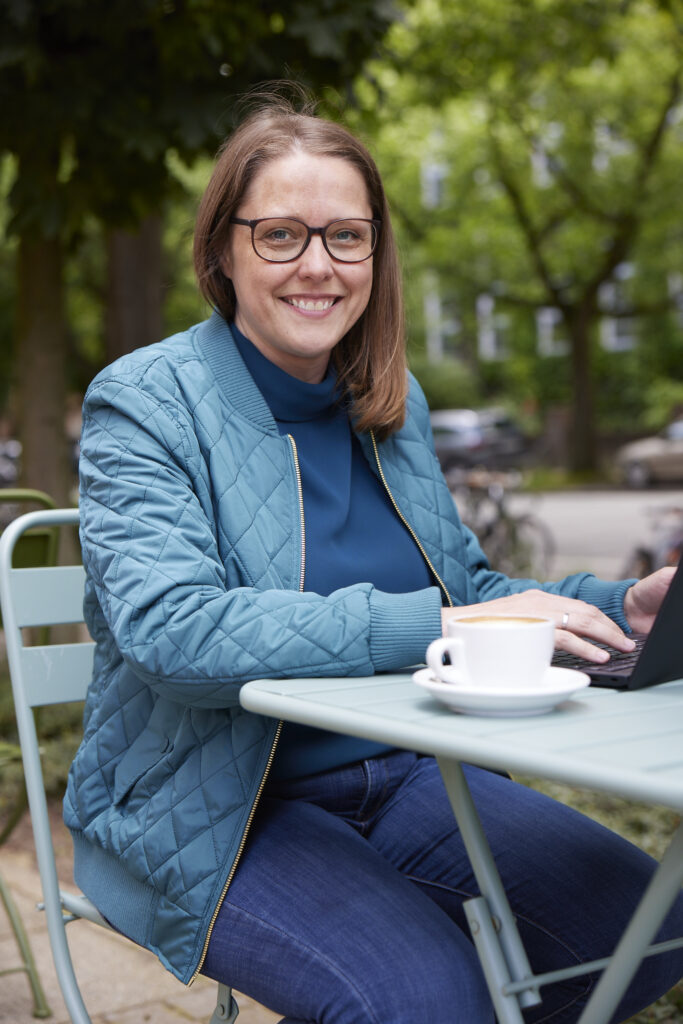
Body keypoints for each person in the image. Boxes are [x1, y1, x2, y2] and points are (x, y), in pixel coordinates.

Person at [65, 91, 683, 1024]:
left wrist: (619, 604)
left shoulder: (387, 403)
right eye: (280, 235)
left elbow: (469, 592)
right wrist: (438, 625)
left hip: (410, 773)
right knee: (426, 999)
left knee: (648, 922)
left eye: (346, 237)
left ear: (374, 255)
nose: (318, 265)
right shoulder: (148, 402)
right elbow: (175, 633)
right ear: (223, 251)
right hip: (207, 805)